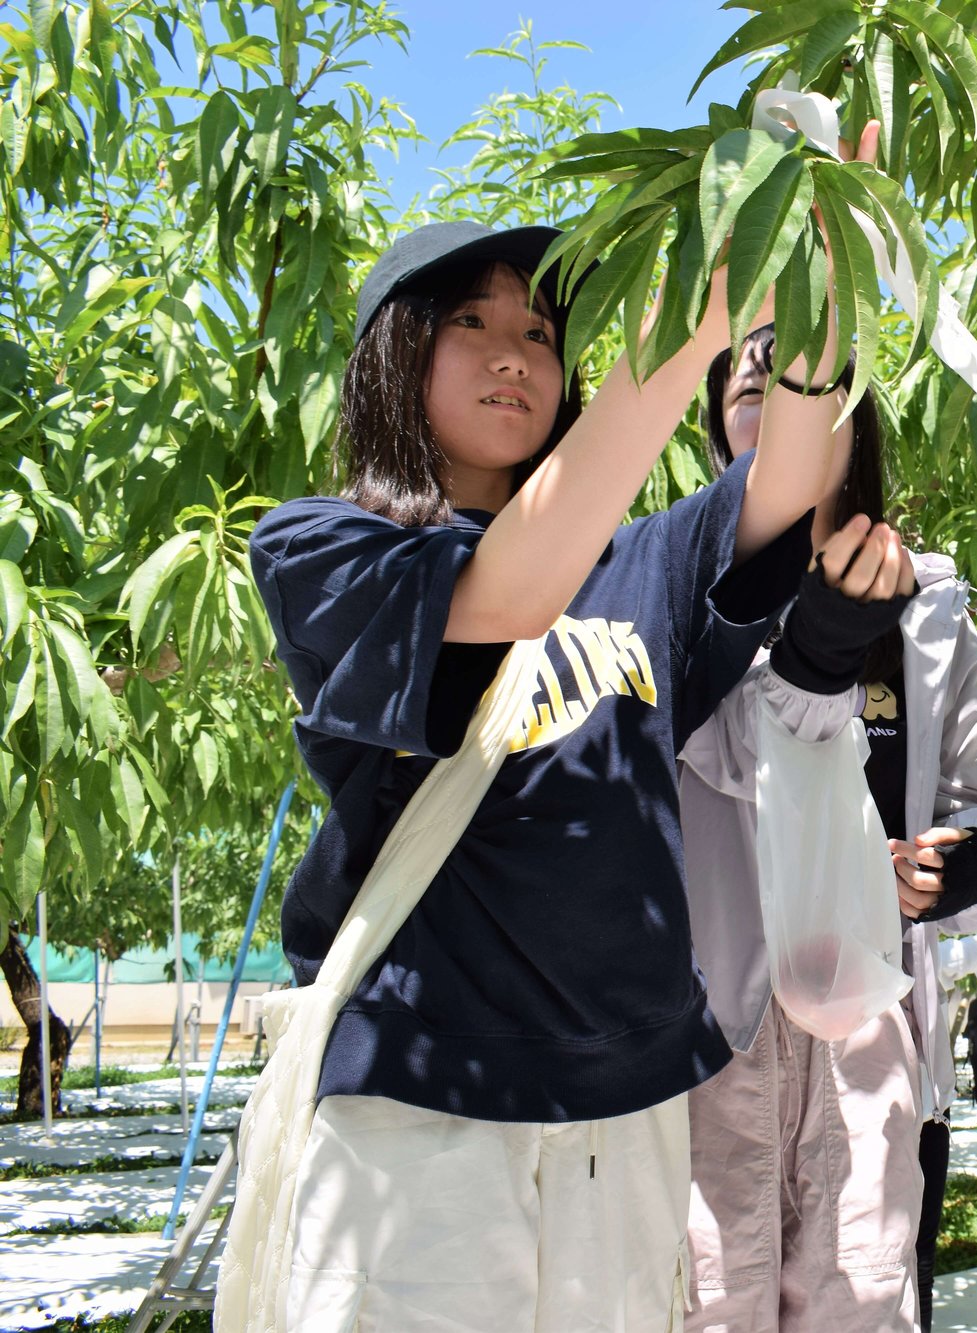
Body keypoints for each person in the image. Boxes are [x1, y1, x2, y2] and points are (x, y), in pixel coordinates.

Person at [244, 213, 858, 1327]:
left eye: (539, 329)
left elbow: (790, 480)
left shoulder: (642, 563)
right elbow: (508, 592)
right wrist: (686, 323)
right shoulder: (321, 548)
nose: (514, 354)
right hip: (423, 1108)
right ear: (393, 353)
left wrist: (821, 283)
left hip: (619, 1115)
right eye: (468, 322)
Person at [678, 319, 977, 1331]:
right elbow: (715, 760)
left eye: (795, 364)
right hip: (714, 1031)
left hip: (864, 1026)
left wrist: (963, 868)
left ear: (848, 415)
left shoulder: (926, 615)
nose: (763, 367)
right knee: (709, 1299)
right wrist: (809, 656)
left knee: (862, 1296)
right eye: (743, 371)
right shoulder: (679, 585)